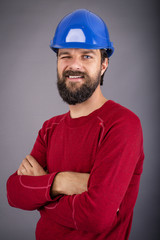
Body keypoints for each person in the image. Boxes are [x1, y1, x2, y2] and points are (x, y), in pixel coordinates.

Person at [6, 9, 145, 240]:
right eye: (65, 55)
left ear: (104, 64)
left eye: (87, 56)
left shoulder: (122, 125)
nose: (74, 65)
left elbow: (96, 216)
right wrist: (62, 181)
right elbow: (14, 192)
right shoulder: (50, 128)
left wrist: (43, 193)